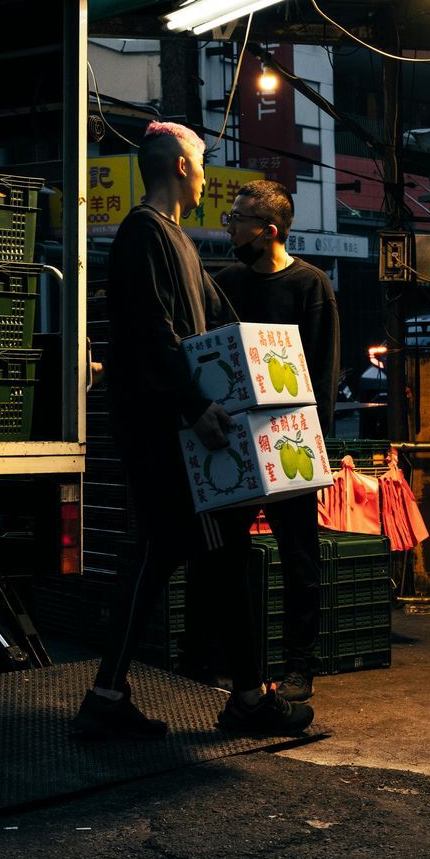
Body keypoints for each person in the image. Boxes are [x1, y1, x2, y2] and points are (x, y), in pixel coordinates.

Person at [75, 123, 315, 739]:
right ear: (182, 168)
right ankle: (239, 699)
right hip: (168, 434)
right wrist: (193, 407)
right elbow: (154, 332)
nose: (207, 177)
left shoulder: (175, 241)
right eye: (203, 166)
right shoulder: (143, 234)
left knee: (189, 552)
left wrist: (268, 375)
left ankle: (121, 695)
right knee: (196, 551)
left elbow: (222, 319)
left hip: (174, 429)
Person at [209, 179, 339, 703]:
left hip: (291, 439)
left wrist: (315, 448)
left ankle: (298, 666)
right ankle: (237, 664)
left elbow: (323, 374)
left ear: (268, 230)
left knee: (298, 559)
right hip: (235, 438)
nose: (230, 228)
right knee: (229, 556)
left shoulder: (311, 286)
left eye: (238, 220)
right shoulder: (226, 284)